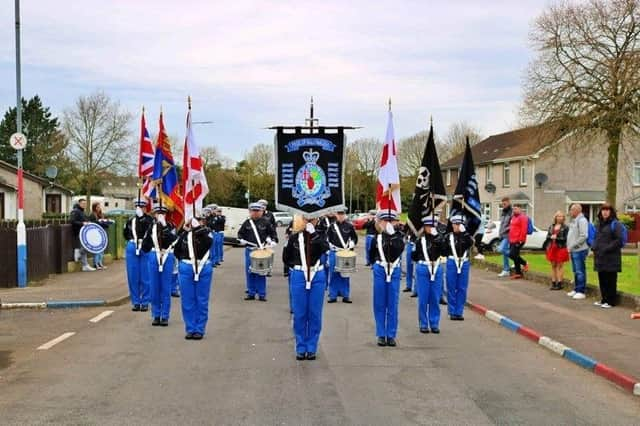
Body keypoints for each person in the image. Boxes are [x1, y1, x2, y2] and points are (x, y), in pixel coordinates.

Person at [283, 215, 329, 360]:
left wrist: (314, 234)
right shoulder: (294, 237)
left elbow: (325, 249)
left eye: (313, 219)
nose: (309, 221)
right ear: (301, 219)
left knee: (314, 313)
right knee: (300, 313)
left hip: (317, 276)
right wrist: (297, 269)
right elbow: (286, 257)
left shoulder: (321, 235)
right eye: (306, 218)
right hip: (299, 275)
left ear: (317, 220)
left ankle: (312, 347)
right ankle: (301, 346)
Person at [173, 215, 214, 340]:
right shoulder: (185, 235)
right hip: (187, 267)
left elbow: (208, 243)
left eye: (199, 220)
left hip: (203, 268)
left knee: (201, 299)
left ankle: (200, 329)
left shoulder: (207, 234)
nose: (195, 223)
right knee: (187, 299)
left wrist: (199, 230)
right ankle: (190, 328)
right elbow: (177, 250)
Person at [369, 210, 405, 347]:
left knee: (392, 302)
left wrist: (393, 235)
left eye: (391, 221)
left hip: (394, 269)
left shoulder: (399, 237)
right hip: (380, 269)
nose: (388, 223)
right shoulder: (376, 238)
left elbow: (399, 249)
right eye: (385, 221)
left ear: (396, 222)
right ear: (380, 222)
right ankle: (381, 334)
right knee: (379, 302)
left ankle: (391, 334)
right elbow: (372, 255)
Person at [141, 206, 177, 326]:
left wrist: (165, 227)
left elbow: (174, 240)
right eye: (158, 213)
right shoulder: (151, 227)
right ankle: (156, 314)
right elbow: (145, 245)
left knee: (165, 287)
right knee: (154, 287)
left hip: (167, 256)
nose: (160, 215)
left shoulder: (171, 226)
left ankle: (165, 315)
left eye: (163, 213)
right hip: (154, 256)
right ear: (154, 215)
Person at [237, 202, 278, 301]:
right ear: (250, 212)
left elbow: (273, 235)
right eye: (253, 211)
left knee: (261, 272)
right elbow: (240, 234)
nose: (255, 213)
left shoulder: (266, 222)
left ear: (261, 211)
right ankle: (251, 293)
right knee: (249, 271)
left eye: (257, 211)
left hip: (261, 250)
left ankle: (262, 294)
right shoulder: (247, 223)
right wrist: (241, 240)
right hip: (250, 250)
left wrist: (272, 241)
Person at [412, 216, 446, 334]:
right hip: (423, 268)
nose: (431, 228)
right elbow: (414, 256)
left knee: (435, 297)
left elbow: (445, 252)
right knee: (423, 298)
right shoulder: (420, 241)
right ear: (425, 227)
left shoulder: (439, 239)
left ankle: (434, 323)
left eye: (433, 226)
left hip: (436, 268)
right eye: (429, 226)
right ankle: (423, 323)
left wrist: (437, 238)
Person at [123, 200, 154, 312]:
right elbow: (126, 233)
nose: (140, 208)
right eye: (137, 206)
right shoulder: (130, 220)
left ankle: (145, 301)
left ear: (146, 208)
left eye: (142, 206)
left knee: (146, 275)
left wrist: (142, 219)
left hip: (145, 246)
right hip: (132, 246)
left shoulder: (150, 220)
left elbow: (150, 231)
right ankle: (135, 302)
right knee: (133, 276)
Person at [592, 203, 624, 309]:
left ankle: (611, 301)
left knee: (610, 279)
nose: (605, 212)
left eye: (607, 210)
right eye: (603, 210)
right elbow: (596, 238)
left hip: (611, 257)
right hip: (600, 256)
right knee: (602, 278)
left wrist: (606, 249)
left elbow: (619, 240)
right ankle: (604, 299)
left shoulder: (616, 224)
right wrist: (594, 247)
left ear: (611, 212)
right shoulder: (599, 224)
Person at [445, 215, 474, 320]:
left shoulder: (466, 236)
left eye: (459, 224)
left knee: (462, 288)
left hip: (464, 263)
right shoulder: (448, 237)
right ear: (452, 225)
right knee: (451, 287)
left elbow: (470, 244)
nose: (456, 226)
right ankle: (452, 311)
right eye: (455, 224)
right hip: (452, 262)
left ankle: (459, 311)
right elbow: (444, 250)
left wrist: (464, 233)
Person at [327, 208, 358, 303]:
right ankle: (333, 295)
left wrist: (352, 243)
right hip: (334, 251)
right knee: (333, 274)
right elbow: (328, 238)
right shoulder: (332, 226)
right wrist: (329, 246)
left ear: (345, 215)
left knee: (345, 274)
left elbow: (354, 238)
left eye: (342, 214)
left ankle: (345, 295)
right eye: (339, 214)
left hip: (345, 252)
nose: (341, 216)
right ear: (336, 215)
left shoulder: (349, 226)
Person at [567, 203, 589, 300]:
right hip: (573, 250)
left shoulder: (582, 220)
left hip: (579, 250)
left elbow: (583, 236)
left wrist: (573, 245)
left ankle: (581, 291)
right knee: (575, 271)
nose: (570, 212)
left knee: (580, 271)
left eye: (572, 209)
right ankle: (576, 289)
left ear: (577, 210)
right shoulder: (574, 220)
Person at [544, 211, 570, 290]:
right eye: (558, 216)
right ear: (555, 217)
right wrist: (550, 237)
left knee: (560, 265)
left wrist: (557, 238)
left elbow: (566, 238)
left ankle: (560, 283)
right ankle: (553, 282)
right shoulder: (551, 226)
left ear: (563, 218)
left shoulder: (565, 227)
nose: (559, 218)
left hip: (561, 247)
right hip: (552, 247)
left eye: (561, 216)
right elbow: (548, 236)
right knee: (553, 265)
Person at [70, 199, 95, 272]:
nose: (84, 205)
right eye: (83, 203)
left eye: (85, 204)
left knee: (85, 248)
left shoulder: (82, 211)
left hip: (84, 233)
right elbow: (72, 221)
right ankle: (78, 253)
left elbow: (84, 220)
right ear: (79, 203)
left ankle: (85, 265)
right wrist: (82, 223)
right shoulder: (75, 211)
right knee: (85, 248)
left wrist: (87, 222)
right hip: (78, 233)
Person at [88, 201, 113, 270]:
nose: (99, 208)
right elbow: (95, 223)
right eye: (97, 207)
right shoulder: (92, 215)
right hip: (96, 234)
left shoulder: (101, 214)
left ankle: (100, 263)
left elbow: (104, 222)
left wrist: (107, 222)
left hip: (102, 233)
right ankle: (96, 264)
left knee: (102, 249)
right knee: (97, 249)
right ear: (94, 208)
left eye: (99, 207)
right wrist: (102, 222)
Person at [508, 205, 529, 279]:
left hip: (518, 240)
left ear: (520, 209)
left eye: (516, 209)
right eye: (513, 209)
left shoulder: (523, 217)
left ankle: (525, 263)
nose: (514, 210)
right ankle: (518, 273)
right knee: (515, 255)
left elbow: (524, 229)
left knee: (512, 255)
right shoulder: (513, 217)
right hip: (512, 240)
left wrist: (521, 240)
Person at [497, 197, 513, 277]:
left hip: (508, 235)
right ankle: (506, 270)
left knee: (501, 249)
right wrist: (500, 233)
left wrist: (505, 230)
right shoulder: (503, 212)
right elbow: (501, 224)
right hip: (503, 235)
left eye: (505, 203)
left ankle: (518, 260)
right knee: (504, 252)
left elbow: (512, 224)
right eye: (502, 204)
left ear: (509, 202)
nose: (503, 205)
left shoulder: (512, 212)